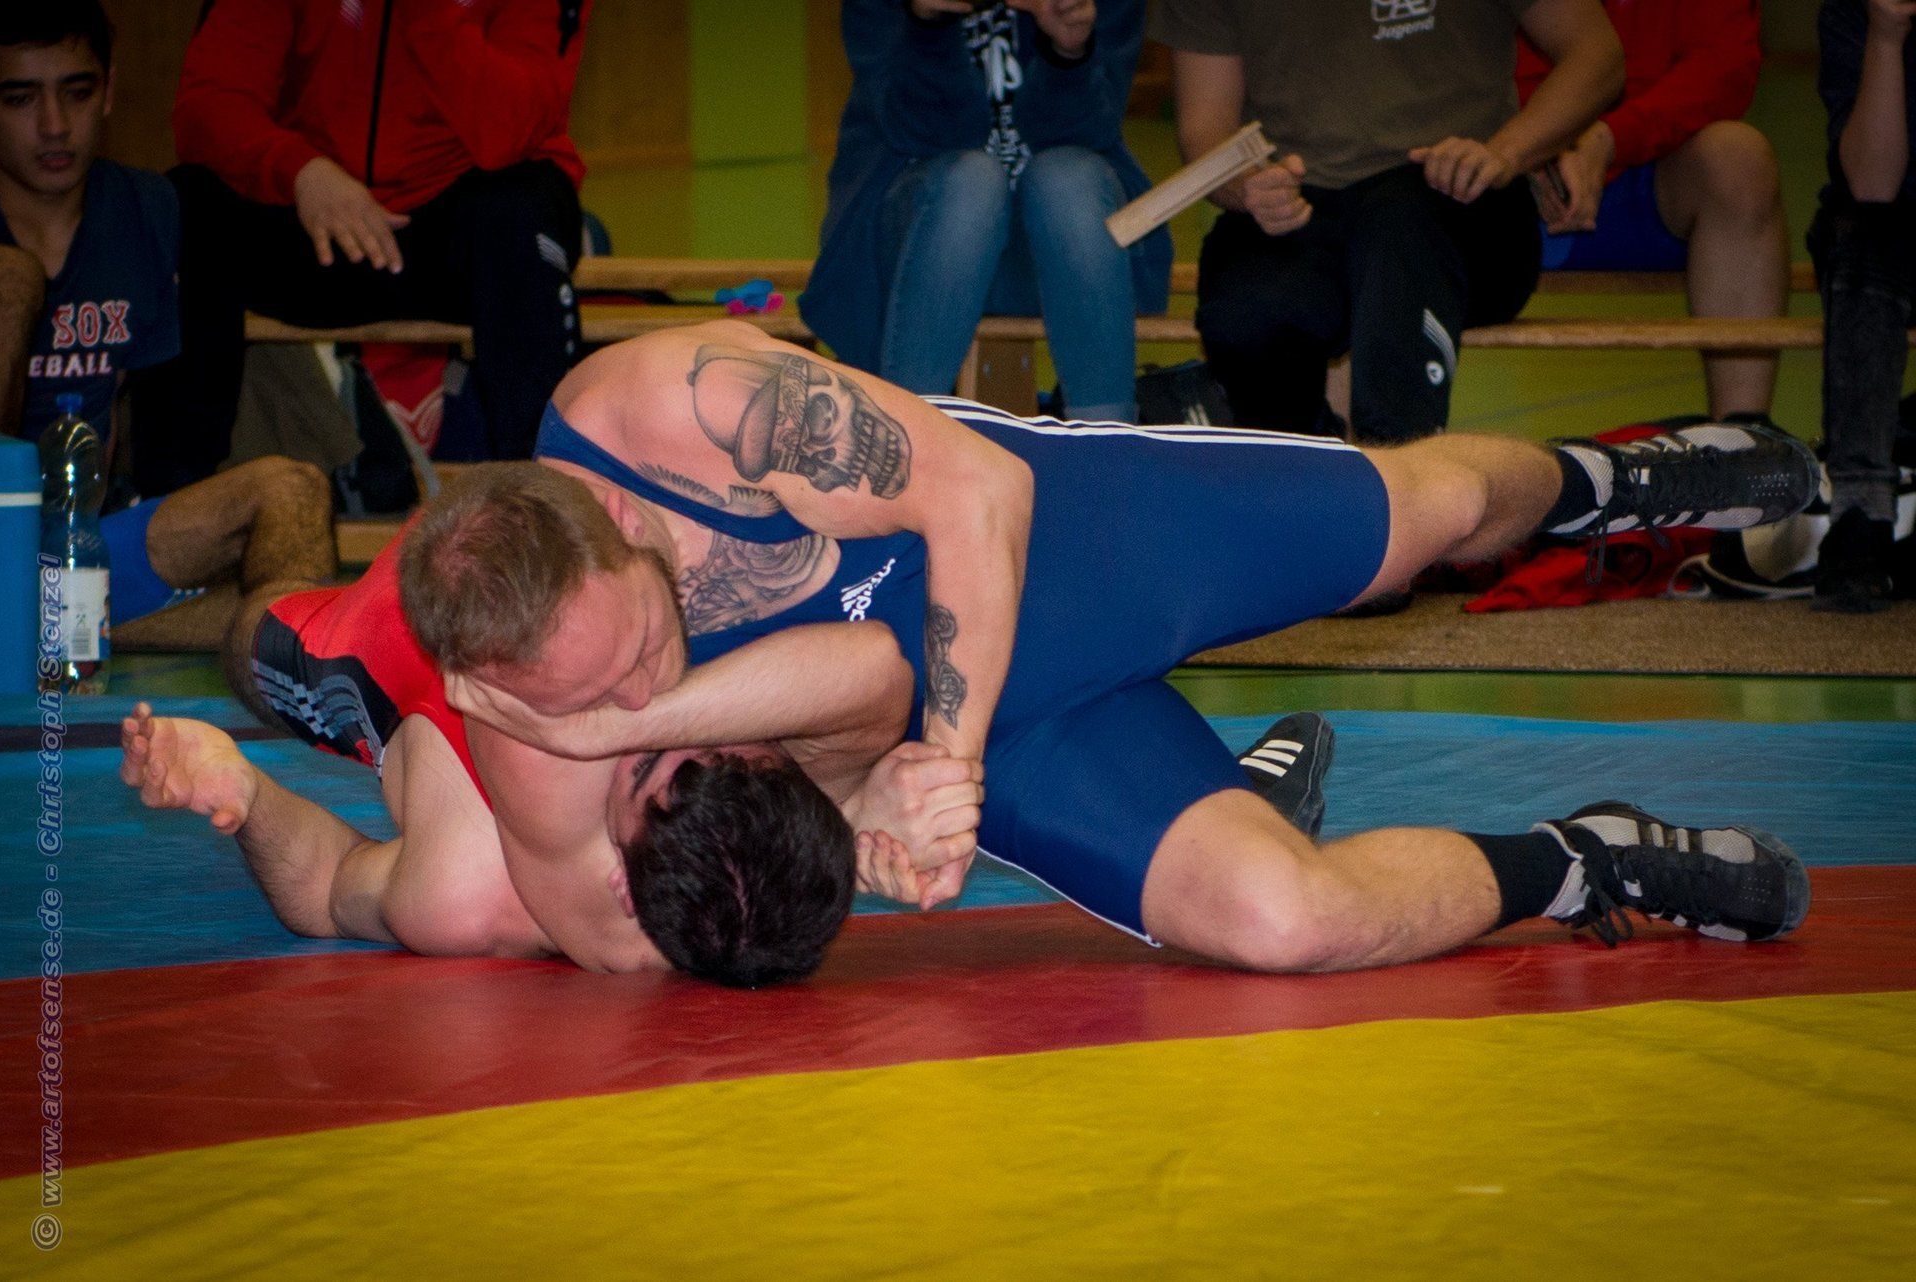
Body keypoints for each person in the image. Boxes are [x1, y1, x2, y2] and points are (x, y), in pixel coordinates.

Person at [429, 321, 1819, 976]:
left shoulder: (681, 409)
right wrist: (856, 831)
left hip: (1064, 550)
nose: (640, 692)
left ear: (622, 523)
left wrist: (941, 762)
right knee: (1284, 922)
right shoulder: (520, 709)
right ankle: (1590, 861)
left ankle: (1601, 483)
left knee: (1427, 521)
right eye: (595, 697)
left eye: (640, 654)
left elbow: (980, 495)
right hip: (1013, 737)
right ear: (499, 682)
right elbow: (627, 940)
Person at [143, 461, 970, 985]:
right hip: (544, 557)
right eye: (719, 735)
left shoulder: (472, 895)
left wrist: (244, 794)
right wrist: (846, 832)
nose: (640, 716)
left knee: (254, 630)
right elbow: (877, 669)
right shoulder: (736, 840)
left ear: (621, 885)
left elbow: (329, 889)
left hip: (389, 646)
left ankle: (281, 494)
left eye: (643, 761)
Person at [136, 0, 592, 496]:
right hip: (318, 220)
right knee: (185, 204)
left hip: (462, 226)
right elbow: (206, 108)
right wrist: (301, 171)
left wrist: (426, 13)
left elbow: (509, 133)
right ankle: (169, 507)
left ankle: (544, 502)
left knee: (523, 204)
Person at [0, 3, 333, 652]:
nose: (54, 125)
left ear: (109, 91)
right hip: (2, 543)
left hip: (79, 544)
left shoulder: (147, 210)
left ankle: (287, 668)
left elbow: (138, 416)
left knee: (292, 489)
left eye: (77, 92)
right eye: (20, 99)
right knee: (10, 278)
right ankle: (46, 621)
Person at [1151, 0, 1624, 443]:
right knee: (1249, 314)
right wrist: (1248, 188)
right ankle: (1304, 470)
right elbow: (1206, 129)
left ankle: (1403, 465)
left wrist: (1505, 153)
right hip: (1301, 205)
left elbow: (1597, 54)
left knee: (1398, 233)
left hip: (1457, 197)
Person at [801, 0, 1171, 422]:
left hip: (1061, 252)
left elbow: (1091, 134)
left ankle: (1107, 437)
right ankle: (906, 432)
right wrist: (930, 28)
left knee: (1069, 177)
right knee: (972, 181)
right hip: (914, 247)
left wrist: (1067, 54)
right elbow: (918, 133)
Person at [1517, 0, 1790, 422]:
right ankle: (1409, 435)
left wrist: (1612, 138)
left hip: (1645, 176)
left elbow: (1725, 64)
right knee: (1421, 172)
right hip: (1503, 178)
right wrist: (1521, 146)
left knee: (1739, 159)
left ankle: (1743, 432)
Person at [1809, 0, 1916, 611]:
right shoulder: (1855, 12)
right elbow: (1874, 185)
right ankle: (1861, 511)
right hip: (1883, 231)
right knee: (1863, 235)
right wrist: (1886, 36)